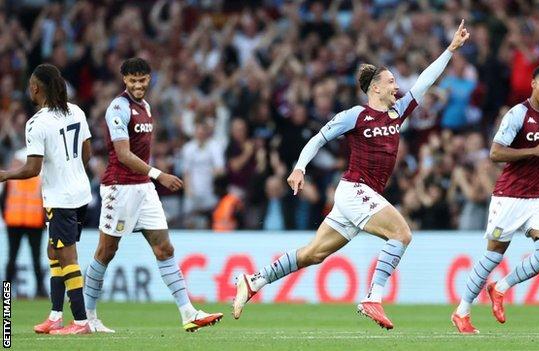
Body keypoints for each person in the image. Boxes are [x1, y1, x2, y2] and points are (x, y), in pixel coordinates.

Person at [233, 21, 470, 330]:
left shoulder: (398, 112)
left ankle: (254, 281)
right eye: (390, 81)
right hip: (354, 190)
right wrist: (300, 167)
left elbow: (426, 81)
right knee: (401, 234)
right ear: (375, 88)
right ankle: (373, 297)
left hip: (362, 196)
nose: (396, 86)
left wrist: (450, 50)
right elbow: (319, 138)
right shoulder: (355, 116)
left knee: (313, 254)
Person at [82, 58, 223, 333]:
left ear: (149, 79)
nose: (138, 85)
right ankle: (87, 318)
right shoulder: (118, 108)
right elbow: (123, 155)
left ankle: (188, 313)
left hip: (143, 189)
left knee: (165, 248)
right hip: (119, 188)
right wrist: (160, 175)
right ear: (124, 80)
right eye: (132, 80)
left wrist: (151, 177)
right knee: (106, 251)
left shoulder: (145, 107)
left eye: (142, 79)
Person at [452, 64, 539, 334]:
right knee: (492, 257)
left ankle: (500, 288)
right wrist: (532, 151)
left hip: (537, 197)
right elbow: (495, 153)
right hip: (508, 196)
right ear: (533, 83)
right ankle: (462, 312)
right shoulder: (517, 114)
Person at [0, 64, 93, 334]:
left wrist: (5, 175)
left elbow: (32, 169)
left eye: (31, 84)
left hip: (60, 199)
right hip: (81, 193)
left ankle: (81, 321)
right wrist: (72, 170)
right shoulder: (76, 111)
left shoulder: (37, 123)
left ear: (36, 88)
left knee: (66, 256)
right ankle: (54, 315)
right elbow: (86, 153)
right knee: (54, 251)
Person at [1, 148, 46, 298]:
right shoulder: (39, 179)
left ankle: (7, 293)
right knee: (28, 259)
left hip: (26, 223)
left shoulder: (13, 180)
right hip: (24, 223)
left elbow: (3, 200)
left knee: (18, 259)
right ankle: (40, 291)